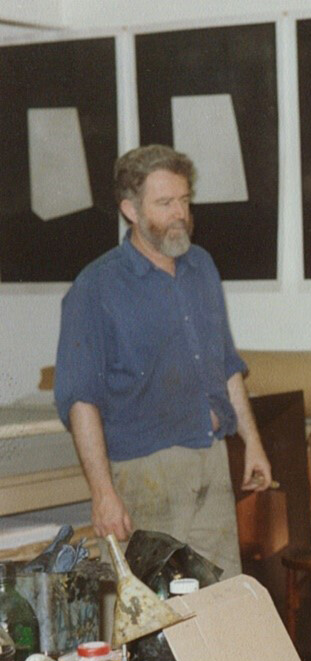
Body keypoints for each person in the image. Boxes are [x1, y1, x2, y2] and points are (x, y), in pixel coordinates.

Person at [54, 144, 271, 579]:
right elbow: (81, 400)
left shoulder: (202, 267)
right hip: (145, 475)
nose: (180, 213)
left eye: (185, 201)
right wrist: (103, 494)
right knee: (155, 615)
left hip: (210, 460)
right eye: (165, 203)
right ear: (130, 210)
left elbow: (226, 365)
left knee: (221, 599)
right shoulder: (95, 287)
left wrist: (253, 443)